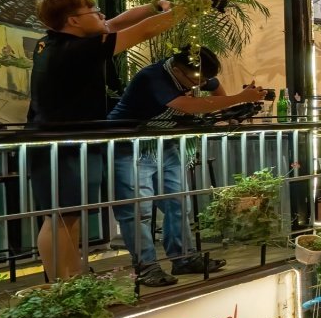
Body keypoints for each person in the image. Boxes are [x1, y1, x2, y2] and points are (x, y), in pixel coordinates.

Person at [27, 0, 181, 281]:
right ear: (73, 20)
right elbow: (144, 30)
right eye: (94, 11)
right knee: (60, 220)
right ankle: (65, 287)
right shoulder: (78, 50)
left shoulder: (55, 41)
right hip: (62, 144)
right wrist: (192, 8)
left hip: (67, 141)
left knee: (68, 218)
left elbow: (115, 24)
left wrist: (154, 5)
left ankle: (74, 281)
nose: (101, 15)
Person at [111, 46, 262, 286]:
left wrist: (229, 111)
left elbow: (213, 87)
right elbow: (185, 105)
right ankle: (146, 268)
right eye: (195, 80)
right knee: (138, 211)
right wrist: (238, 98)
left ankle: (183, 258)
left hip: (165, 143)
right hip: (129, 145)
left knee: (178, 202)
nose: (198, 84)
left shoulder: (193, 72)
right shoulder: (153, 76)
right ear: (178, 69)